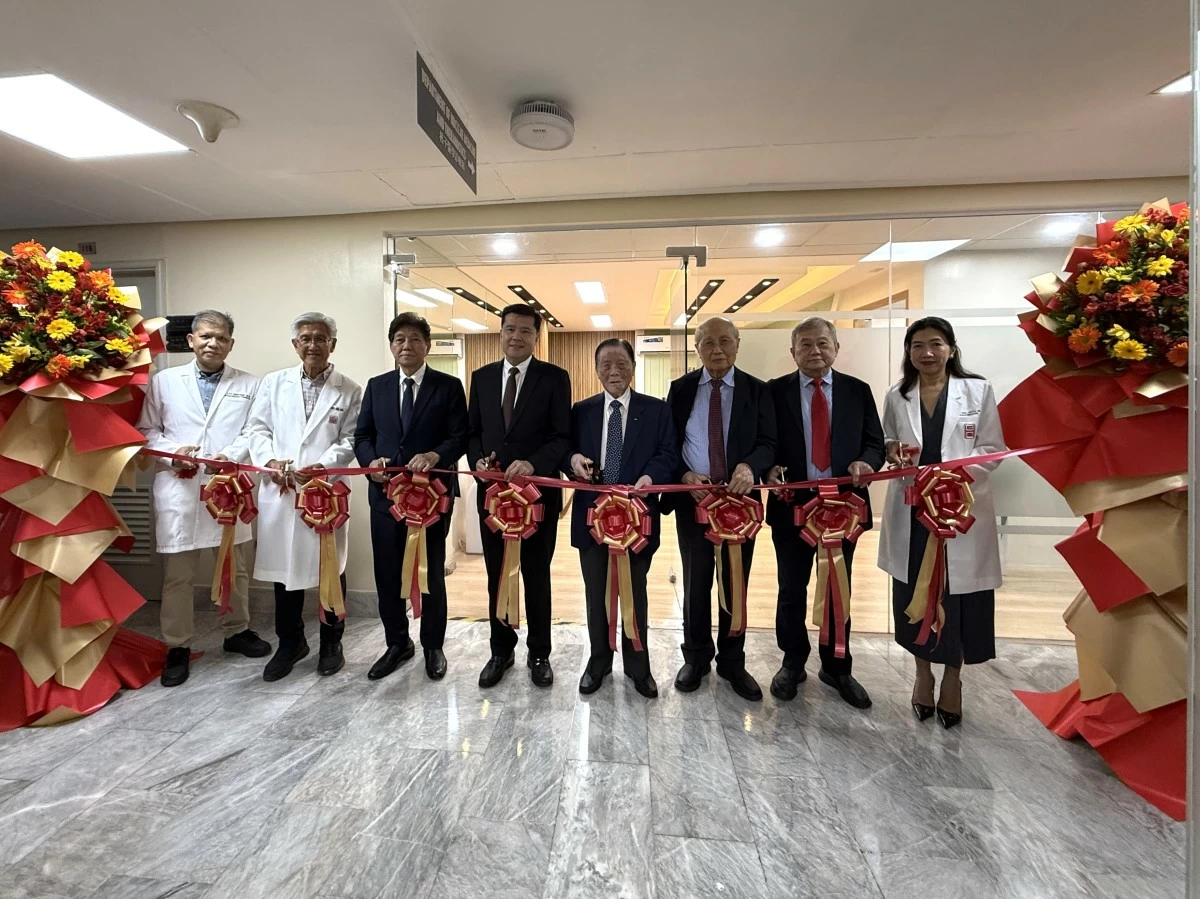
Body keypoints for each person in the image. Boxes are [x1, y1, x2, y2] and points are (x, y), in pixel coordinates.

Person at [878, 316, 1006, 729]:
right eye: (917, 346)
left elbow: (992, 450)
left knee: (959, 599)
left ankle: (954, 680)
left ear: (951, 348)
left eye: (935, 344)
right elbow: (888, 443)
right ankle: (922, 675)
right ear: (909, 353)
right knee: (916, 595)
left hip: (959, 514)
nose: (927, 353)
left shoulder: (978, 390)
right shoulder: (897, 395)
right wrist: (893, 452)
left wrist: (952, 478)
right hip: (914, 513)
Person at [136, 310, 270, 687]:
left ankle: (236, 630)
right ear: (191, 340)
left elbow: (253, 430)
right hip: (181, 490)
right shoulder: (163, 382)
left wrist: (229, 456)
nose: (214, 343)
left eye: (222, 338)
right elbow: (146, 431)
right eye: (206, 336)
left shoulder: (250, 383)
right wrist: (175, 452)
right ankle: (178, 645)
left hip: (229, 487)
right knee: (178, 576)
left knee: (235, 567)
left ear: (231, 343)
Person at [765, 317, 884, 709]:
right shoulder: (774, 392)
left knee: (838, 588)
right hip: (792, 508)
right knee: (791, 588)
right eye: (805, 345)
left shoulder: (857, 391)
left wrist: (866, 463)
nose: (814, 351)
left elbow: (874, 443)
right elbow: (765, 443)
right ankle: (792, 661)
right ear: (792, 352)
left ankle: (837, 666)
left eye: (822, 343)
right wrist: (770, 469)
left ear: (836, 346)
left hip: (842, 509)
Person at [242, 313, 362, 682]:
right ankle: (290, 643)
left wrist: (322, 466)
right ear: (295, 345)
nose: (313, 345)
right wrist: (269, 460)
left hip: (324, 494)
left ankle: (331, 643)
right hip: (281, 490)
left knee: (331, 569)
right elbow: (256, 428)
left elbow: (352, 439)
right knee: (284, 573)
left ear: (333, 344)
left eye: (321, 338)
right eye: (305, 338)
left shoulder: (350, 390)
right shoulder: (273, 384)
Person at [665, 317, 776, 700]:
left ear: (738, 344)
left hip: (739, 505)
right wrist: (682, 474)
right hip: (694, 503)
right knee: (696, 582)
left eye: (725, 341)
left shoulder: (757, 390)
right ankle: (695, 658)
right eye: (708, 342)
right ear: (696, 348)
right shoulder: (679, 390)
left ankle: (732, 661)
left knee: (735, 582)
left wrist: (750, 466)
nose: (717, 349)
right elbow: (669, 442)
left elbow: (768, 442)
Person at [354, 312, 468, 682]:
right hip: (386, 497)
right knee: (387, 574)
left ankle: (433, 645)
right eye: (400, 339)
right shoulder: (377, 385)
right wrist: (371, 462)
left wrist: (435, 456)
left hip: (432, 498)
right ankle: (397, 643)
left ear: (427, 346)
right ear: (391, 346)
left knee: (430, 572)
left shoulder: (448, 387)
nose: (407, 345)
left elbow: (459, 436)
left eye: (415, 339)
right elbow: (363, 436)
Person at [567, 338, 679, 698]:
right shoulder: (581, 411)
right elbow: (565, 451)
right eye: (605, 365)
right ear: (596, 369)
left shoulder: (656, 410)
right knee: (595, 591)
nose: (613, 372)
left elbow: (668, 454)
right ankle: (598, 660)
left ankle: (637, 665)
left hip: (637, 521)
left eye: (621, 364)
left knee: (635, 592)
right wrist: (573, 462)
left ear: (633, 366)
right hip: (591, 520)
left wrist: (651, 477)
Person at [467, 304, 571, 688]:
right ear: (501, 332)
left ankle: (539, 652)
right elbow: (472, 432)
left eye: (525, 331)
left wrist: (533, 464)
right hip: (494, 499)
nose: (516, 336)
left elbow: (562, 436)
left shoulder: (554, 378)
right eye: (509, 329)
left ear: (536, 337)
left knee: (536, 575)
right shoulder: (481, 378)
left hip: (537, 498)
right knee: (497, 575)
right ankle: (501, 650)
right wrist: (478, 460)